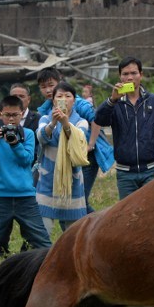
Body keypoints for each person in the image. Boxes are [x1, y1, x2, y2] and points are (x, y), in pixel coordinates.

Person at [0, 95, 52, 292]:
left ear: (21, 114)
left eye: (15, 115)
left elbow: (26, 160)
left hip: (25, 197)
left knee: (41, 240)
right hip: (0, 197)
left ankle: (51, 275)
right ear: (1, 114)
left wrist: (15, 143)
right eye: (7, 115)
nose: (11, 119)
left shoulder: (28, 134)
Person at [95, 56, 154, 200]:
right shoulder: (115, 103)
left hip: (150, 170)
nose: (129, 77)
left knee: (151, 209)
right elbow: (100, 120)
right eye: (125, 74)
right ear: (120, 77)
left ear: (141, 75)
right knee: (127, 213)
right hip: (125, 173)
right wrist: (112, 100)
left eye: (134, 73)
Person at [35, 68, 101, 212]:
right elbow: (42, 134)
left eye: (51, 85)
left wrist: (90, 144)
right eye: (43, 87)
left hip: (83, 154)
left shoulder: (78, 103)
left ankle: (95, 223)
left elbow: (97, 119)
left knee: (80, 198)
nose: (48, 90)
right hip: (58, 156)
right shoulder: (46, 109)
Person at [35, 82, 88, 235]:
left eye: (68, 96)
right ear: (53, 101)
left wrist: (65, 123)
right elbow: (41, 138)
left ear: (74, 101)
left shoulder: (81, 121)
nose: (63, 99)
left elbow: (79, 141)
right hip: (47, 182)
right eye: (59, 96)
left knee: (74, 235)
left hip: (72, 185)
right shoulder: (45, 119)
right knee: (42, 233)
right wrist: (53, 122)